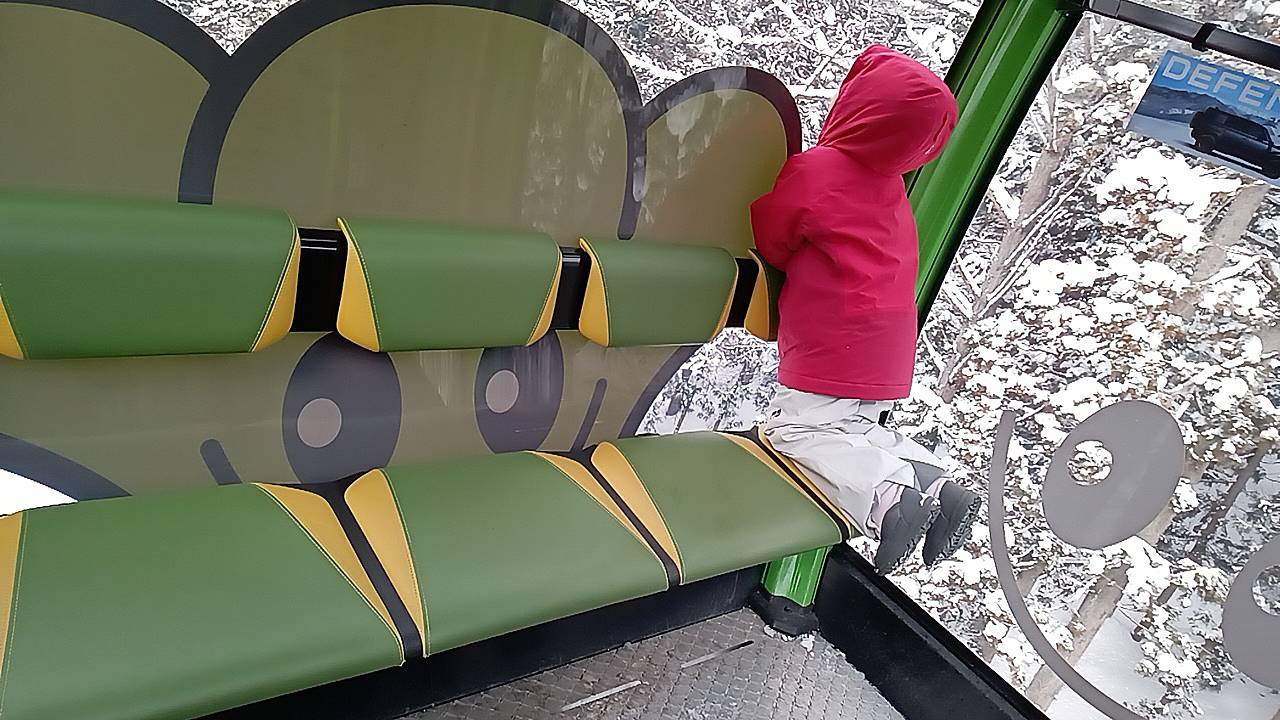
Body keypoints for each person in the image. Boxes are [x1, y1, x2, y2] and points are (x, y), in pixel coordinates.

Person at [750, 45, 980, 574]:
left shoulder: (818, 169)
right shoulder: (890, 187)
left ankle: (888, 497)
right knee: (851, 429)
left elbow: (773, 237)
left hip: (837, 338)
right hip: (888, 345)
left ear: (857, 109)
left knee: (795, 432)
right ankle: (936, 485)